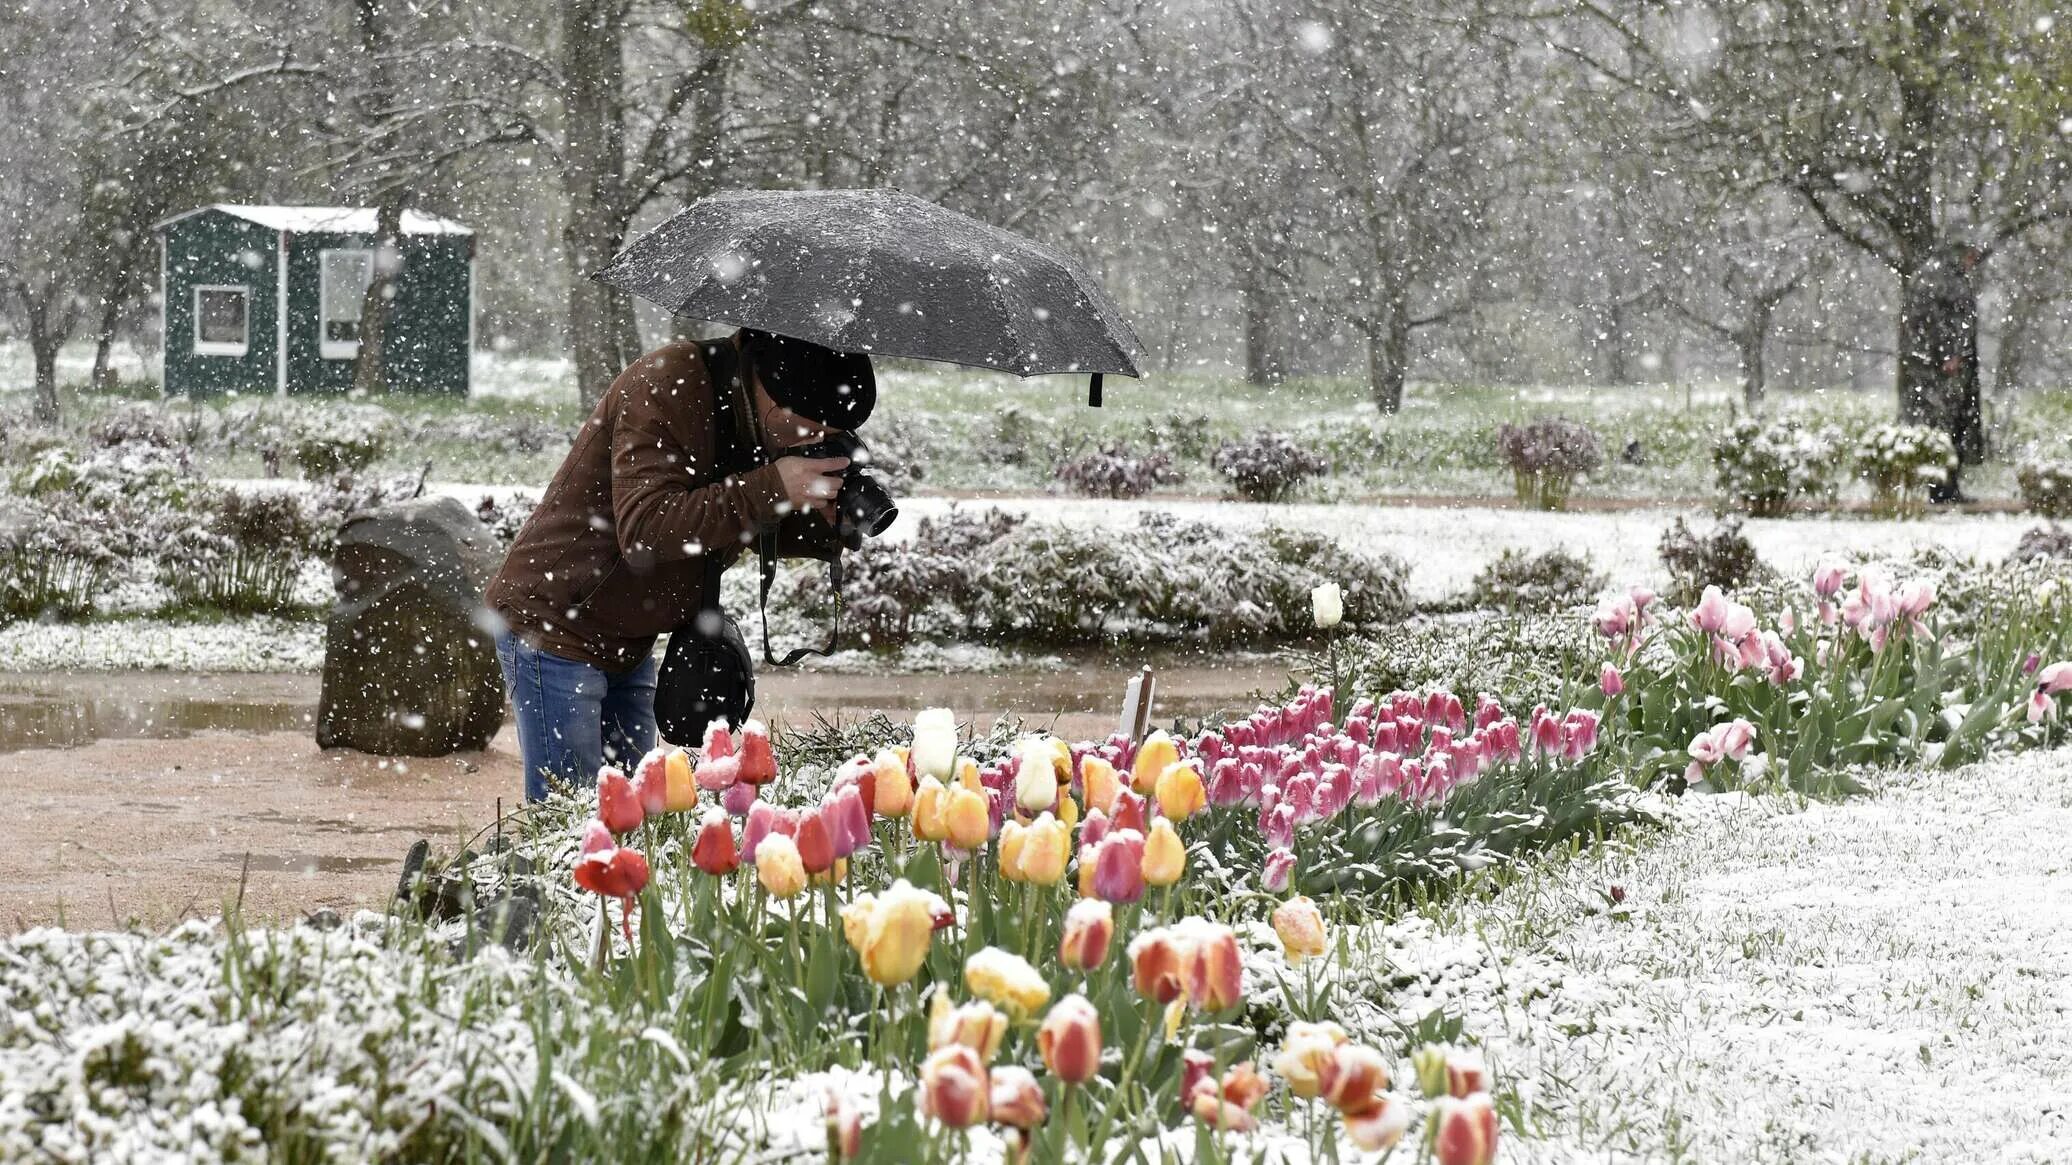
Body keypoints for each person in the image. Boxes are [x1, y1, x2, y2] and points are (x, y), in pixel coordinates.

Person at [485, 329, 873, 801]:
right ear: (772, 391)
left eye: (834, 440)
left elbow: (733, 522)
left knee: (636, 817)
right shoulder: (668, 386)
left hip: (629, 630)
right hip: (556, 620)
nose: (816, 444)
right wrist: (773, 486)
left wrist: (825, 520)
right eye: (814, 431)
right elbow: (646, 531)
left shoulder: (758, 419)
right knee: (572, 825)